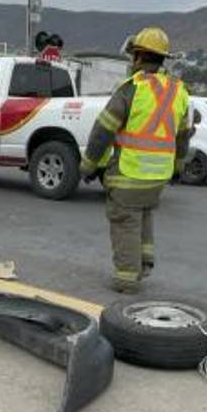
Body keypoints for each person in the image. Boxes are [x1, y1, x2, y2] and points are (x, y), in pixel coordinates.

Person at [79, 27, 192, 293]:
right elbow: (183, 137)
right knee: (143, 215)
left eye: (134, 56)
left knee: (125, 221)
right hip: (158, 176)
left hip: (131, 172)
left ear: (139, 56)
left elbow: (103, 130)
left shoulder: (131, 89)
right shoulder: (179, 91)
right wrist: (178, 167)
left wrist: (88, 165)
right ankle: (144, 263)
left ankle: (126, 279)